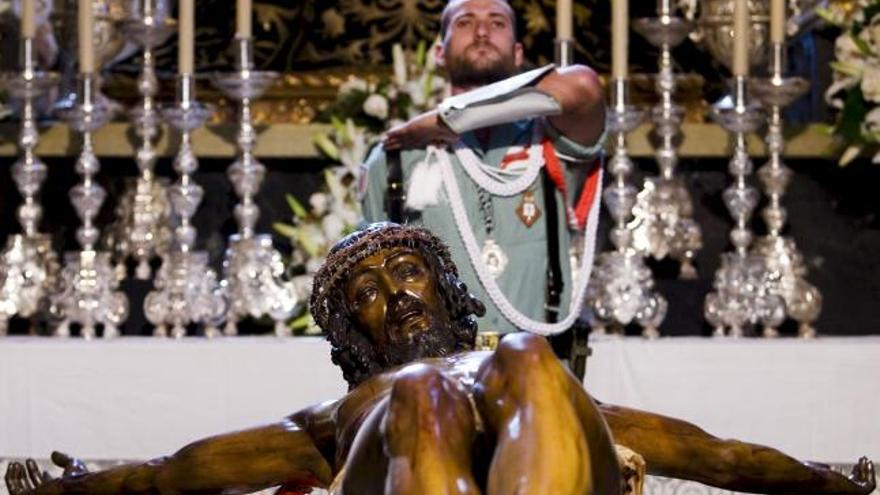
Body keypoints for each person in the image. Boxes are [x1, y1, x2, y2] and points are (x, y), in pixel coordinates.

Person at [4, 223, 876, 495]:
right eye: (370, 292)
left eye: (410, 269)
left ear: (448, 285)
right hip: (407, 440)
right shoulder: (331, 422)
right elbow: (172, 475)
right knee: (422, 391)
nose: (400, 292)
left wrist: (841, 483)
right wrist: (72, 483)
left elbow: (724, 457)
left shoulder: (539, 381)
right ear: (353, 336)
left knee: (531, 354)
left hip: (545, 438)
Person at [360, 0, 606, 336]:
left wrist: (447, 119)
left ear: (519, 53)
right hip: (435, 375)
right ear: (439, 52)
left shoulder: (549, 142)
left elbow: (585, 88)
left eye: (497, 22)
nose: (481, 32)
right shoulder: (397, 156)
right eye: (464, 22)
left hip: (537, 370)